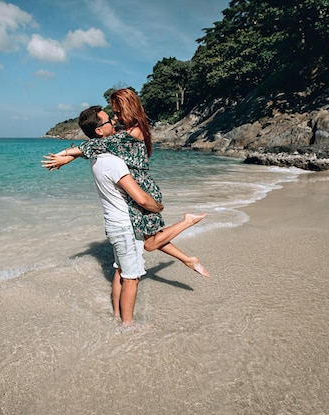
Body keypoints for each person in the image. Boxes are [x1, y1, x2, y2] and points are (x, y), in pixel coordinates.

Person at [43, 93, 209, 277]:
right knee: (152, 238)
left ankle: (187, 221)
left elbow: (98, 145)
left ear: (128, 110)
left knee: (149, 243)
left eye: (117, 112)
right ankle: (188, 260)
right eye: (113, 114)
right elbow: (99, 146)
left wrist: (66, 154)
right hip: (136, 190)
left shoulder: (134, 132)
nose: (115, 118)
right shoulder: (127, 132)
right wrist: (69, 158)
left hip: (143, 191)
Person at [45, 107, 163, 324]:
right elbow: (141, 199)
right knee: (131, 277)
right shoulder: (114, 161)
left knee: (119, 270)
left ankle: (116, 315)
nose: (114, 124)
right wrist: (157, 207)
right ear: (99, 131)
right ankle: (127, 327)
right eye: (109, 121)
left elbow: (85, 148)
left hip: (112, 223)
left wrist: (65, 156)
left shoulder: (97, 157)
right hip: (125, 226)